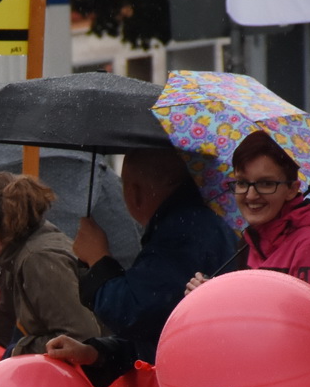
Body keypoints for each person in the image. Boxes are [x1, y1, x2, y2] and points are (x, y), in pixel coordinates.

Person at [73, 148, 238, 363]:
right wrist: (96, 353)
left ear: (136, 192)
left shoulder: (181, 230)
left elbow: (136, 314)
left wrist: (98, 259)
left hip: (196, 373)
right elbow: (158, 325)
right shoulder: (195, 220)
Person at [0, 173, 98, 355]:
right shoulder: (16, 254)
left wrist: (20, 350)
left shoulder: (38, 260)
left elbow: (79, 337)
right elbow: (0, 330)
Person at [187, 131, 310, 305]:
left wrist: (219, 303)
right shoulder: (249, 242)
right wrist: (207, 296)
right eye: (242, 182)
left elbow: (306, 326)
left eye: (266, 184)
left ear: (292, 189)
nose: (251, 195)